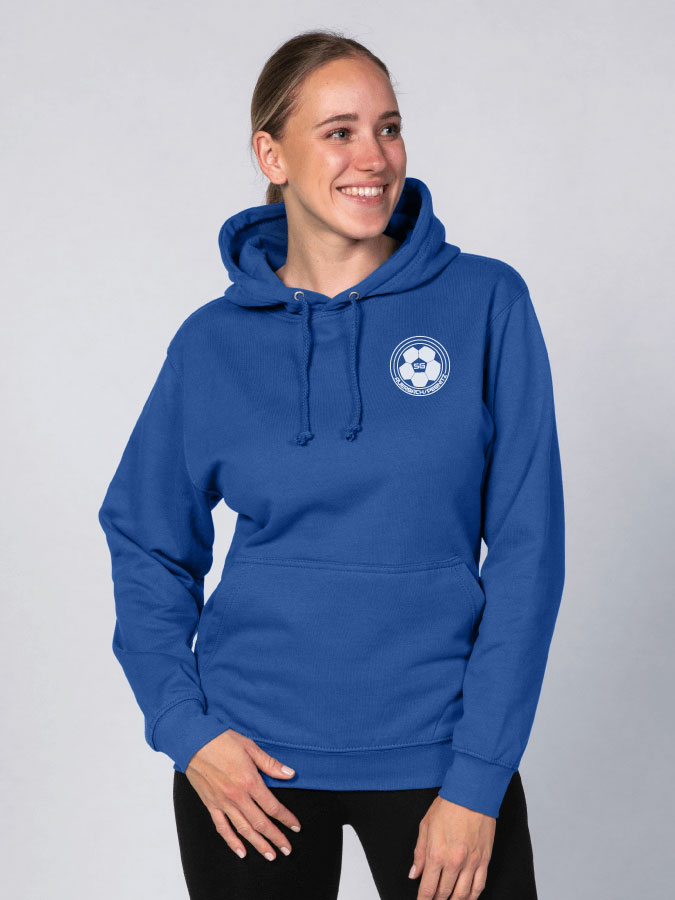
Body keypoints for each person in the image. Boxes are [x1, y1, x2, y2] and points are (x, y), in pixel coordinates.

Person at [98, 29, 565, 900]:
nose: (373, 157)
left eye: (387, 128)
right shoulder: (212, 343)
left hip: (441, 756)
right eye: (339, 132)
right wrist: (187, 729)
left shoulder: (484, 302)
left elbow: (528, 552)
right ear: (271, 155)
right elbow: (146, 540)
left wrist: (479, 776)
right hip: (249, 767)